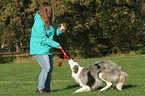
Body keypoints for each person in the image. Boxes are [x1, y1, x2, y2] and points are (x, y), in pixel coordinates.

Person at [30, 2, 65, 94]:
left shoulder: (49, 20)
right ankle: (40, 89)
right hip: (39, 48)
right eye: (49, 10)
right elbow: (43, 39)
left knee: (50, 68)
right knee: (46, 67)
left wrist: (60, 30)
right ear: (44, 11)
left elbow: (54, 32)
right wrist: (56, 45)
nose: (51, 12)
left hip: (47, 48)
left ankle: (47, 89)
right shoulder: (39, 22)